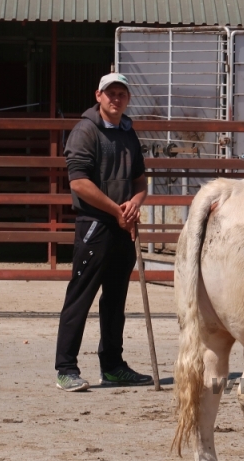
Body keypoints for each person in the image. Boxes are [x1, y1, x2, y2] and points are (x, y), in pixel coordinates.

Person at [54, 73, 152, 392]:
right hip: (96, 224)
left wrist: (135, 204)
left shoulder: (128, 132)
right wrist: (117, 210)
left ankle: (112, 365)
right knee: (80, 296)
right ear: (98, 95)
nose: (116, 99)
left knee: (115, 299)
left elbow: (140, 179)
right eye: (111, 93)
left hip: (123, 225)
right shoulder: (86, 131)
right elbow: (79, 183)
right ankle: (66, 368)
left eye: (122, 93)